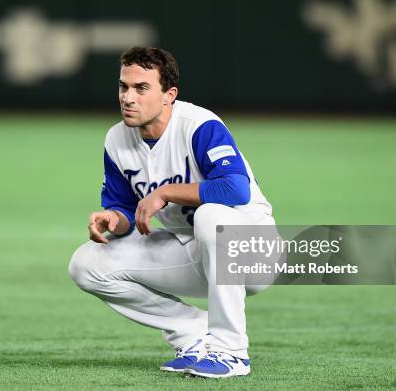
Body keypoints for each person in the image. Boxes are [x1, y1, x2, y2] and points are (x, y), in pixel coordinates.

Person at [68, 46, 275, 378]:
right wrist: (114, 220)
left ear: (169, 95)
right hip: (193, 249)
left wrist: (165, 193)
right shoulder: (116, 140)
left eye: (141, 88)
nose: (128, 97)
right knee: (86, 263)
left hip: (252, 251)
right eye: (123, 86)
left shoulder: (198, 125)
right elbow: (124, 209)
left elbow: (236, 189)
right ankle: (193, 335)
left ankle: (231, 351)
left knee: (212, 216)